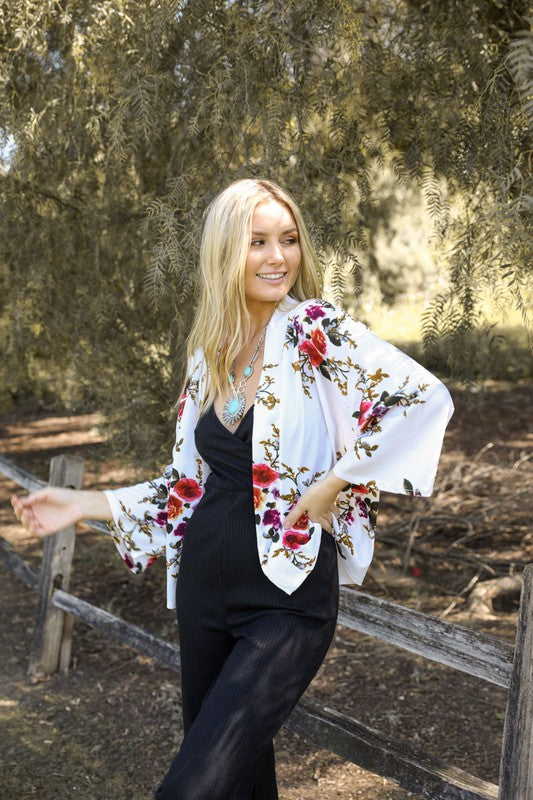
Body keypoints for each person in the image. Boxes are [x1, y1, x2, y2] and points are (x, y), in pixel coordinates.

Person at [11, 178, 454, 799]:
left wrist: (334, 483)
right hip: (204, 590)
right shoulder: (208, 354)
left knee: (192, 788)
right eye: (258, 242)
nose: (279, 257)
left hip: (287, 597)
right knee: (239, 786)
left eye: (289, 239)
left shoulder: (316, 333)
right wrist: (82, 504)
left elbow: (421, 398)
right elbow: (185, 487)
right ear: (224, 253)